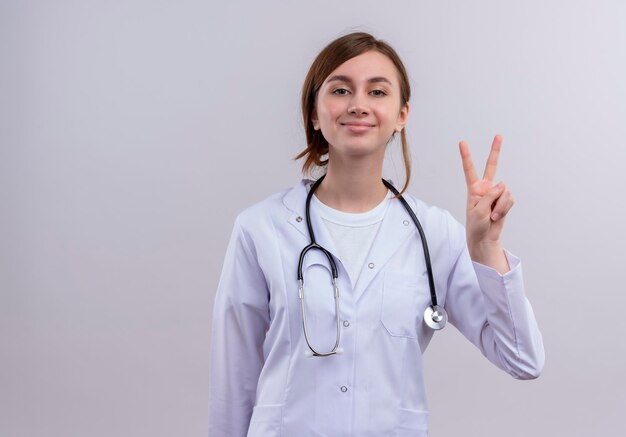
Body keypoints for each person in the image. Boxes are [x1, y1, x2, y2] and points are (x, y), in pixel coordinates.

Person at [207, 32, 544, 437]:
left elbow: (524, 360)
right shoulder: (260, 228)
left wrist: (486, 248)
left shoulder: (434, 234)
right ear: (315, 113)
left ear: (402, 115)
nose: (358, 104)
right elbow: (234, 381)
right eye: (341, 89)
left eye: (377, 91)